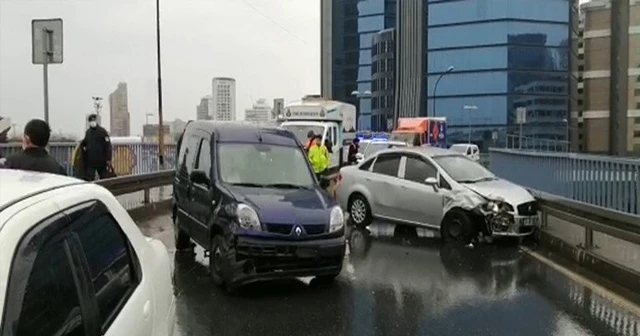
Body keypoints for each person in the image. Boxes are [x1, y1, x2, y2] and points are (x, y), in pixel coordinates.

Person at [81, 114, 112, 181]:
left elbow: (108, 145)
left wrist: (108, 158)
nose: (93, 122)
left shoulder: (102, 131)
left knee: (104, 179)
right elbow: (84, 143)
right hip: (91, 161)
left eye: (94, 120)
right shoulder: (88, 133)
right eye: (91, 120)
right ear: (89, 122)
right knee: (89, 179)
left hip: (101, 160)